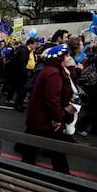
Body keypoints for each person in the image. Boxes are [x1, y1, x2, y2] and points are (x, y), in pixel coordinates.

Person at [19, 44, 76, 175]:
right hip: (46, 118)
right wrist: (57, 119)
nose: (69, 58)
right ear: (60, 58)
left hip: (41, 117)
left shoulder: (51, 70)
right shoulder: (54, 73)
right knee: (56, 147)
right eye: (67, 56)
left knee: (34, 145)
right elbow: (52, 99)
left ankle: (27, 167)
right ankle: (63, 174)